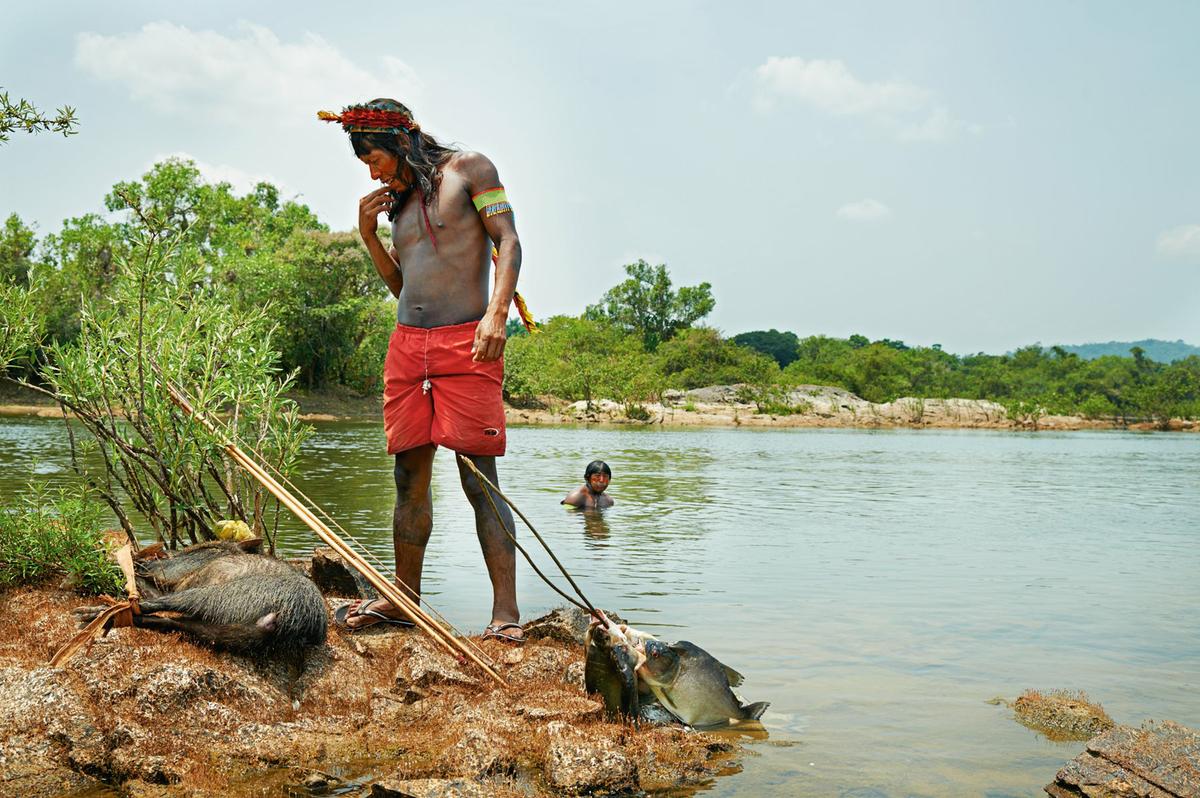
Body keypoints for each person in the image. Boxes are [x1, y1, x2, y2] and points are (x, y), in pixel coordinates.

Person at [319, 99, 525, 644]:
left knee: (480, 481)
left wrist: (497, 315)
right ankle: (403, 602)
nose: (372, 170)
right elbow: (404, 288)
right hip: (409, 347)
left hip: (468, 344)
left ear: (401, 140)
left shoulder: (471, 170)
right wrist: (367, 236)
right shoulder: (400, 204)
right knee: (407, 479)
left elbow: (508, 241)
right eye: (364, 162)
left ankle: (505, 617)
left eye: (375, 157)